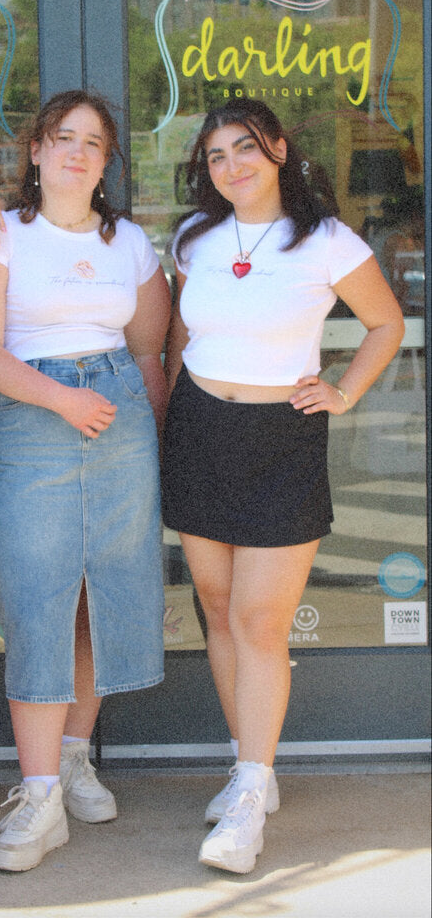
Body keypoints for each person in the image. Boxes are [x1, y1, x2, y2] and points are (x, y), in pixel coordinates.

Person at [162, 98, 404, 875]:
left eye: (243, 148)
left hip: (282, 439)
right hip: (200, 431)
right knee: (218, 610)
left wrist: (344, 390)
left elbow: (386, 324)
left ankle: (246, 798)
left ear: (275, 149)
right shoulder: (193, 239)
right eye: (215, 155)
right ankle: (249, 766)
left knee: (260, 622)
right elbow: (181, 337)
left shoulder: (326, 239)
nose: (230, 165)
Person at [0, 89, 170, 872]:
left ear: (106, 161)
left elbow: (147, 352)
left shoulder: (130, 245)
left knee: (101, 593)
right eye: (63, 138)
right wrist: (60, 398)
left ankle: (74, 756)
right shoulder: (1, 235)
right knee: (36, 597)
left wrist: (150, 434)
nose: (77, 152)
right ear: (37, 151)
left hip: (118, 420)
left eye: (92, 142)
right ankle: (39, 795)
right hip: (33, 417)